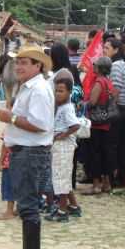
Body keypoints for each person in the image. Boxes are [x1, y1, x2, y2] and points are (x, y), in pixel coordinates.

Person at [0, 45, 54, 249]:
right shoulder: (28, 87)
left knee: (28, 207)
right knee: (27, 206)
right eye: (17, 62)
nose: (18, 66)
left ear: (37, 66)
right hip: (25, 152)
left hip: (30, 153)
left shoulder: (37, 89)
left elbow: (40, 124)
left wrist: (9, 118)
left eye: (24, 62)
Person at [45, 77, 81, 222]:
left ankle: (62, 210)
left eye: (61, 91)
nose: (58, 94)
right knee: (62, 176)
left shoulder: (67, 108)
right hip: (58, 145)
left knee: (60, 178)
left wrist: (62, 135)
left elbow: (75, 125)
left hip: (64, 146)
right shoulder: (60, 107)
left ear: (69, 92)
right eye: (56, 91)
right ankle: (73, 206)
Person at [83, 57, 118, 195]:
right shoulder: (109, 82)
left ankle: (96, 184)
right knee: (106, 154)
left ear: (99, 68)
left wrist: (83, 104)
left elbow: (92, 101)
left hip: (97, 123)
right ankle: (107, 183)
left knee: (95, 154)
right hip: (107, 123)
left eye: (95, 65)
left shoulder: (99, 82)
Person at [103, 38, 125, 188]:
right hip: (124, 108)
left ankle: (113, 179)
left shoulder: (115, 66)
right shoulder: (122, 64)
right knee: (120, 146)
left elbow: (115, 90)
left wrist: (108, 106)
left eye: (107, 48)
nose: (104, 51)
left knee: (113, 145)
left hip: (118, 108)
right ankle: (120, 178)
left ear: (116, 49)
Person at [0, 134, 16, 220]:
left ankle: (9, 211)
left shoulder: (10, 128)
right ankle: (20, 209)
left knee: (9, 185)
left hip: (10, 162)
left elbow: (5, 144)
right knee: (22, 185)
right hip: (25, 161)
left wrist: (0, 161)